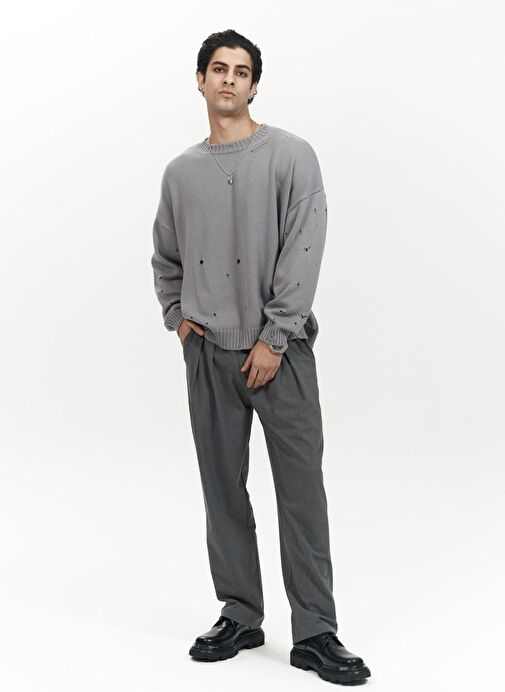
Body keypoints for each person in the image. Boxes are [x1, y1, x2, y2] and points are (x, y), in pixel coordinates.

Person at [150, 29, 371, 685]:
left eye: (241, 71)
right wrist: (178, 319)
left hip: (282, 355)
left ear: (254, 85)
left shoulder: (291, 156)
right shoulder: (180, 172)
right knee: (223, 491)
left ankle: (316, 632)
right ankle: (240, 615)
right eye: (218, 69)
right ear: (200, 79)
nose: (228, 79)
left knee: (301, 495)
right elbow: (165, 255)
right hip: (208, 355)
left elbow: (305, 249)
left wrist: (274, 339)